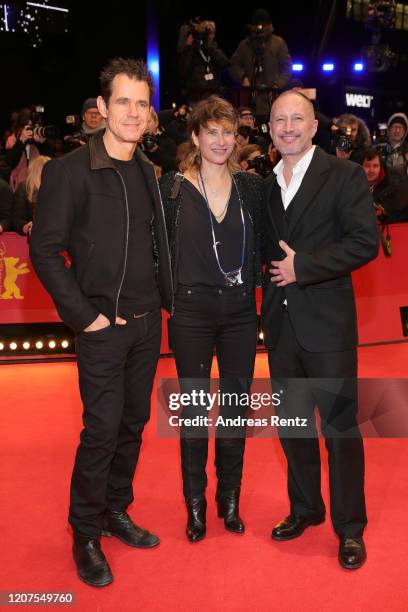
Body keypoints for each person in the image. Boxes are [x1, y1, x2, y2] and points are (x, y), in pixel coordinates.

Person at [30, 57, 173, 588]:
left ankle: (116, 510)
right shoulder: (69, 171)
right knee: (101, 431)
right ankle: (84, 530)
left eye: (142, 103)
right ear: (102, 108)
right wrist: (85, 317)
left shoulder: (146, 170)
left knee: (133, 426)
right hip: (102, 329)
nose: (133, 112)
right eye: (123, 102)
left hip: (144, 324)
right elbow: (44, 252)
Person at [262, 91, 378, 569]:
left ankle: (350, 529)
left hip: (328, 327)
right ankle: (306, 508)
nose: (287, 127)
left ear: (313, 127)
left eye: (297, 119)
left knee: (340, 430)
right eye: (279, 120)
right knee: (291, 428)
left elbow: (364, 242)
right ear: (269, 129)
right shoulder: (263, 184)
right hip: (279, 327)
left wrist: (303, 267)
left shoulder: (344, 175)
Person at [159, 96, 263, 543]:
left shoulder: (252, 189)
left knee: (236, 409)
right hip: (191, 313)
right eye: (212, 132)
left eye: (228, 132)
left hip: (241, 311)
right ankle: (196, 506)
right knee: (196, 412)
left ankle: (230, 500)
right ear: (197, 137)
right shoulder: (173, 190)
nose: (221, 140)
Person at [230, 8, 292, 119]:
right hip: (250, 97)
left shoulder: (278, 43)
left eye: (264, 26)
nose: (261, 29)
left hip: (272, 96)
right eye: (258, 26)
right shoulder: (245, 45)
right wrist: (243, 77)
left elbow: (287, 68)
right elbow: (234, 65)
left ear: (269, 26)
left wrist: (277, 85)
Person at [178, 18, 230, 104]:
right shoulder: (191, 50)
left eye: (212, 33)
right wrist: (188, 47)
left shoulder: (213, 48)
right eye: (207, 33)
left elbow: (225, 63)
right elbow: (184, 70)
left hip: (213, 95)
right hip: (195, 97)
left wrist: (209, 47)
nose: (210, 36)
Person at [5, 107, 54, 191]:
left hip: (38, 187)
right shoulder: (12, 140)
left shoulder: (39, 141)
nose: (34, 129)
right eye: (31, 127)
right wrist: (21, 142)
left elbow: (50, 163)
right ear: (22, 126)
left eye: (37, 126)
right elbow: (10, 163)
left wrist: (43, 143)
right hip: (19, 190)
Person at [12, 155, 51, 236]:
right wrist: (25, 227)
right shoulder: (24, 188)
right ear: (36, 172)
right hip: (30, 237)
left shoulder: (57, 188)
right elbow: (16, 219)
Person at [384, 112, 408, 177]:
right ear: (389, 129)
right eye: (394, 127)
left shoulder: (406, 151)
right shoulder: (378, 149)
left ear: (405, 131)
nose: (397, 130)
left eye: (400, 127)